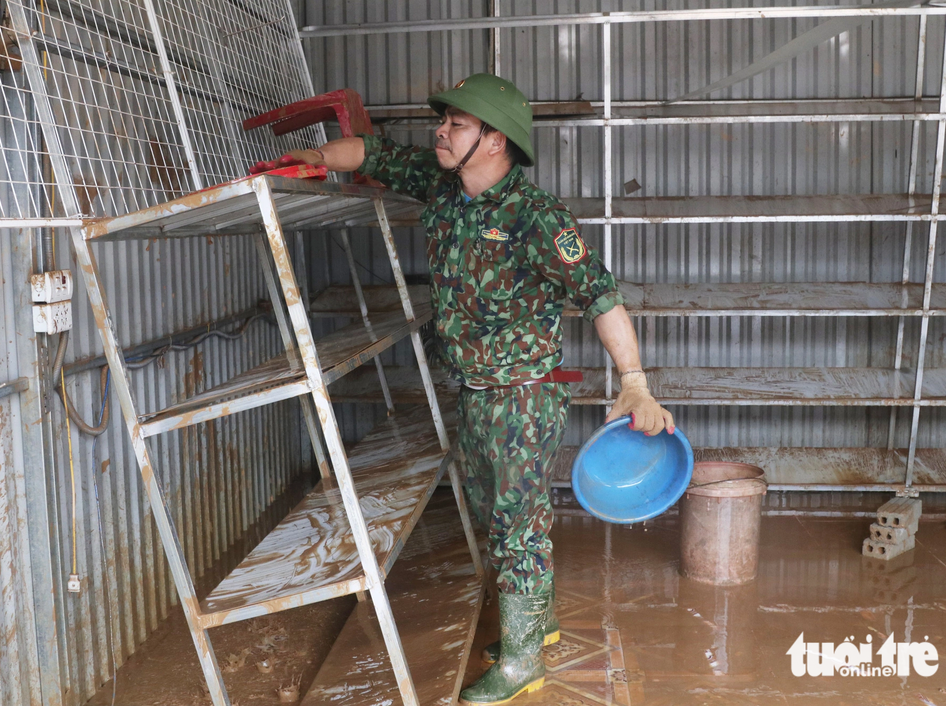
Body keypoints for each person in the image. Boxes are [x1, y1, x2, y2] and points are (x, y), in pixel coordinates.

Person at [280, 73, 675, 705]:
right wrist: (319, 160)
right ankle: (533, 625)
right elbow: (373, 154)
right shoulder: (443, 185)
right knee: (499, 511)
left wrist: (634, 382)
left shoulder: (536, 216)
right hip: (471, 387)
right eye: (445, 122)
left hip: (522, 393)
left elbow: (600, 295)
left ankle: (522, 664)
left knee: (517, 524)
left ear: (495, 141)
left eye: (457, 124)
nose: (440, 131)